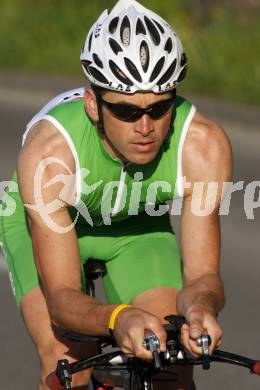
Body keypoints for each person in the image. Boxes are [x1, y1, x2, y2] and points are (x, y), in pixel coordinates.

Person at [0, 0, 232, 389]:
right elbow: (60, 298)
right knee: (67, 366)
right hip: (50, 225)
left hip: (137, 228)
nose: (145, 126)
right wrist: (117, 317)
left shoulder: (203, 146)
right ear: (93, 104)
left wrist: (199, 308)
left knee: (170, 363)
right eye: (125, 112)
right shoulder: (49, 154)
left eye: (160, 108)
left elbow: (204, 275)